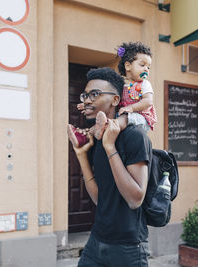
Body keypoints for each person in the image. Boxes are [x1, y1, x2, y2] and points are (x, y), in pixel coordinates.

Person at [70, 67, 152, 266]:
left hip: (128, 248)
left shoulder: (134, 136)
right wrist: (81, 155)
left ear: (115, 100)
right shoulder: (97, 138)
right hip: (96, 240)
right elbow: (100, 198)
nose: (87, 100)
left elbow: (135, 199)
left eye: (95, 94)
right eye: (86, 95)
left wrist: (109, 146)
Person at [67, 41, 157, 147]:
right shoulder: (121, 84)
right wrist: (89, 104)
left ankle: (105, 126)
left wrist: (131, 108)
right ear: (128, 66)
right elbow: (109, 99)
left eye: (148, 67)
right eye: (142, 65)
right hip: (123, 115)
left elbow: (148, 101)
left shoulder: (144, 84)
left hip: (141, 118)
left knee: (123, 118)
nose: (146, 69)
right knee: (104, 121)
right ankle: (84, 136)